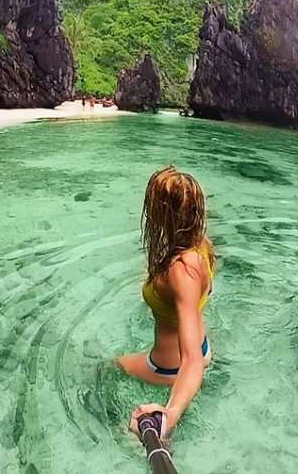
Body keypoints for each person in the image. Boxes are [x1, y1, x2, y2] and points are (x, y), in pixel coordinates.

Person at [118, 165, 216, 439]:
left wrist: (170, 414)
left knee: (105, 367)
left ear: (161, 215)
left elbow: (192, 359)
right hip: (203, 345)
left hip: (171, 367)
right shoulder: (201, 246)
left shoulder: (181, 271)